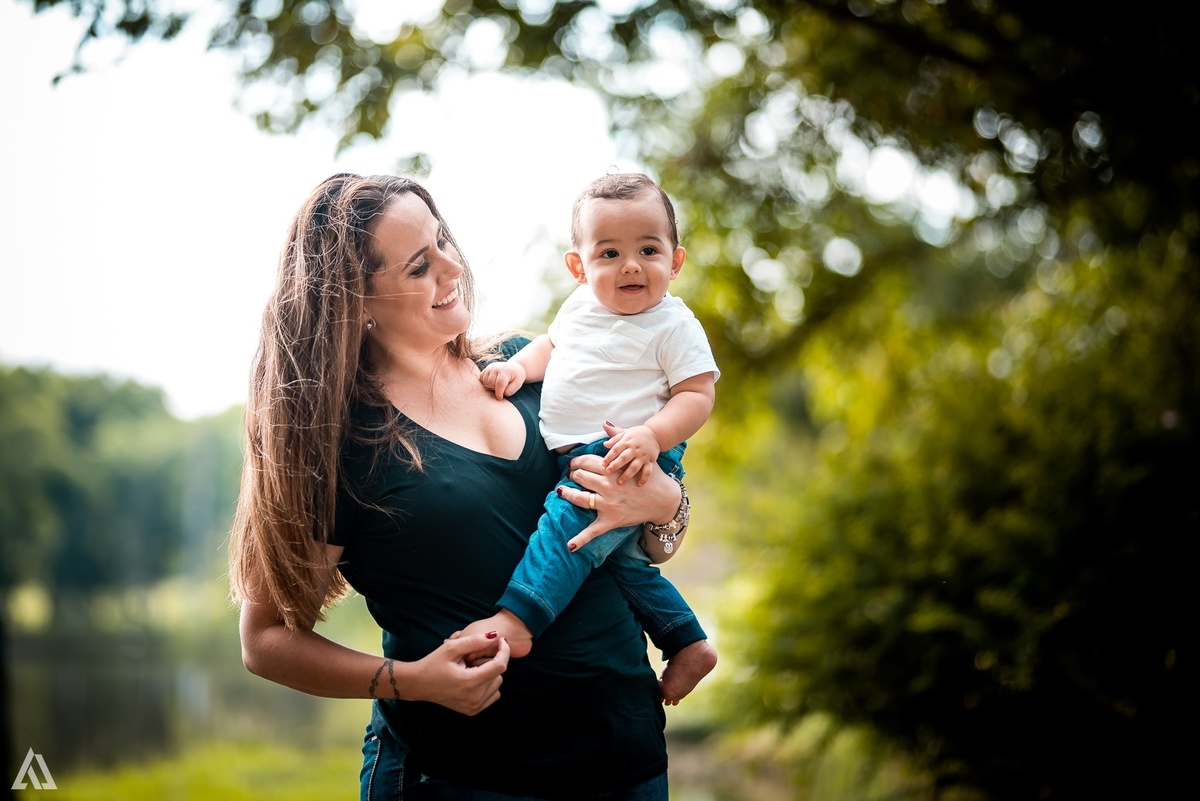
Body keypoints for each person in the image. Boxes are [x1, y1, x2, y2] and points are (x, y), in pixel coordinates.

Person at [228, 173, 696, 801]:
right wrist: (409, 680)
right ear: (355, 301)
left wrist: (666, 505)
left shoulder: (528, 366)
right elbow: (265, 640)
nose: (453, 267)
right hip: (460, 776)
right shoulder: (338, 443)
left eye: (442, 239)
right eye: (420, 265)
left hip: (628, 760)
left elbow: (642, 544)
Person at [460, 173, 719, 705]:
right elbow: (550, 347)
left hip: (626, 451)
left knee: (566, 524)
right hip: (579, 448)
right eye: (609, 252)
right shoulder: (578, 308)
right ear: (579, 267)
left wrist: (652, 435)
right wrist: (515, 369)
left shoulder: (673, 325)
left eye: (648, 249)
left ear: (675, 261)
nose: (630, 265)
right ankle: (686, 640)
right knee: (619, 562)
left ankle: (519, 618)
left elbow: (697, 395)